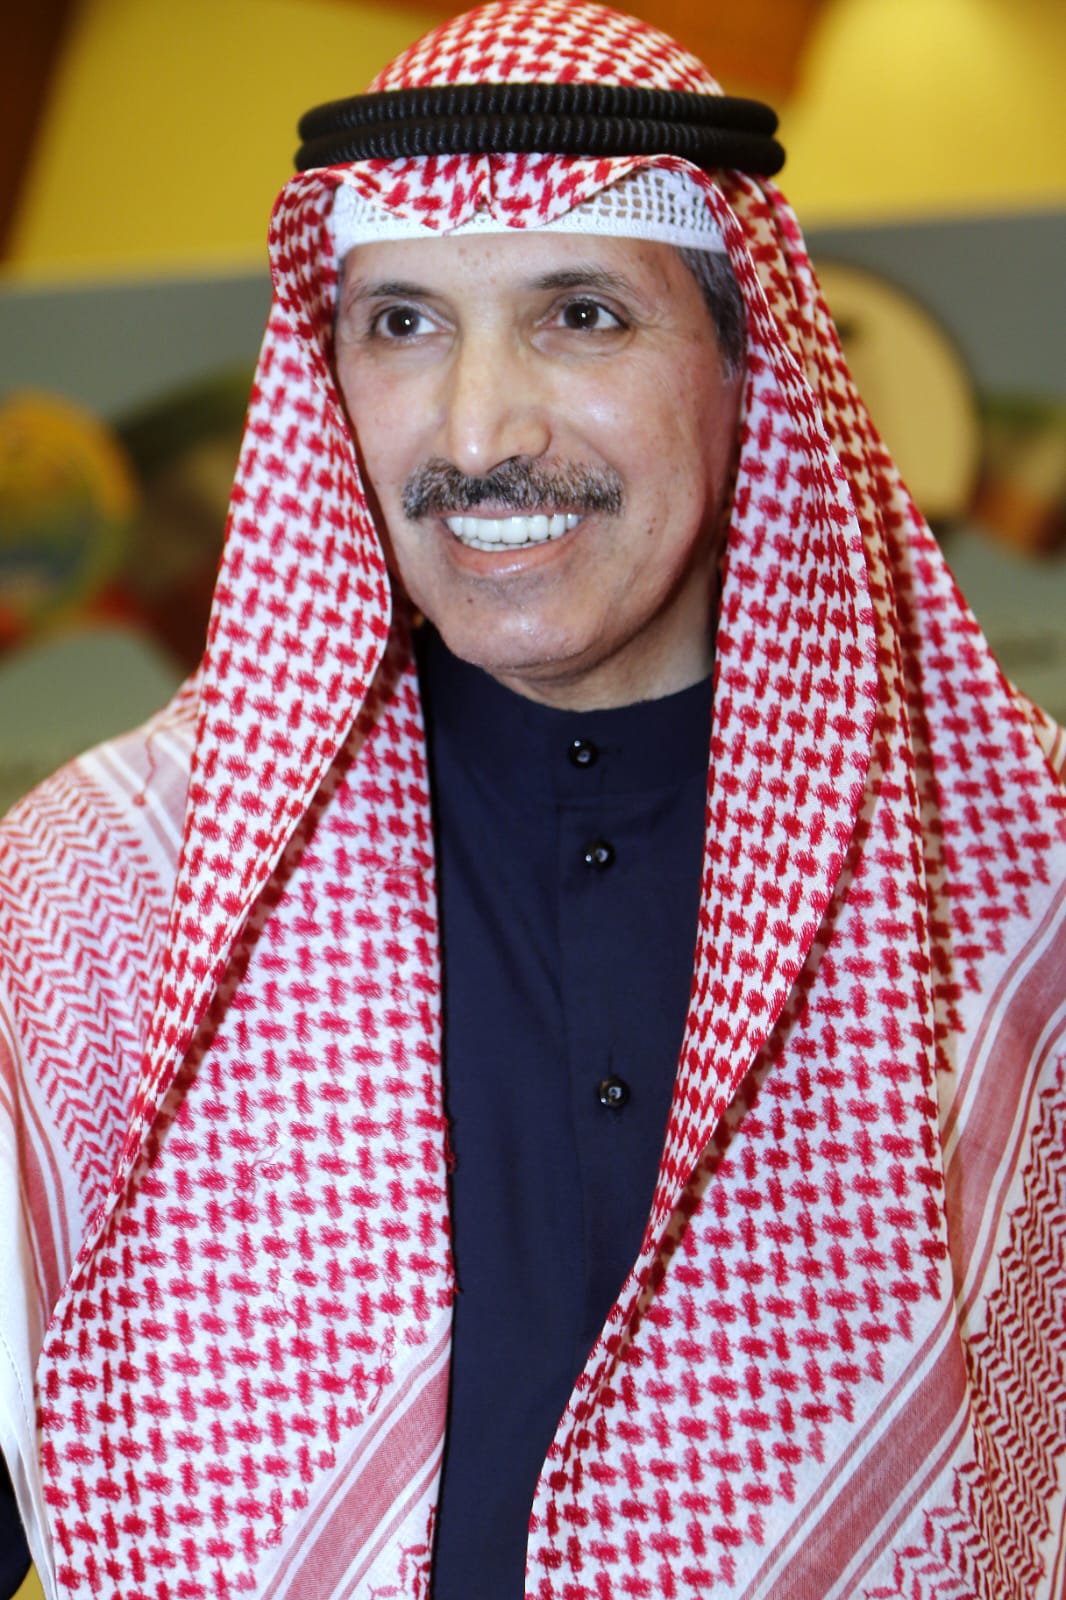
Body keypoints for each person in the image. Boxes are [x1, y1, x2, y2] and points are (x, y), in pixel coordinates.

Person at [2, 1, 1065, 1596]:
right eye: (403, 323)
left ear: (747, 362)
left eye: (578, 313)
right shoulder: (112, 885)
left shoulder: (1006, 867)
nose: (477, 431)